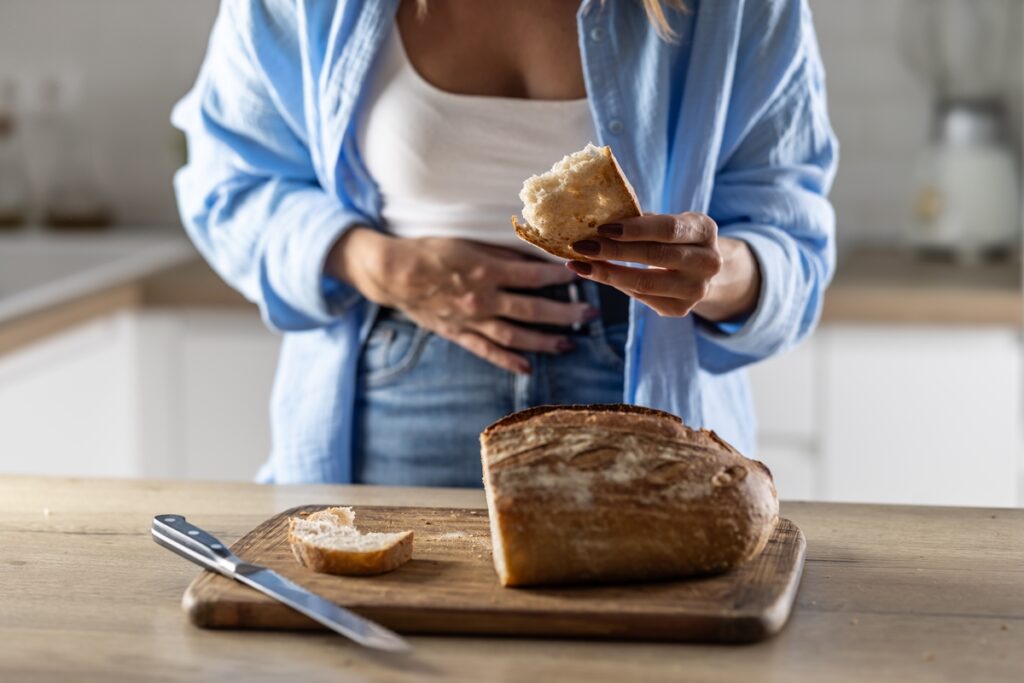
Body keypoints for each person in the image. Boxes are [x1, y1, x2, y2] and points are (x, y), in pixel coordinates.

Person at [173, 0, 837, 486]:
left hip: (647, 404)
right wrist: (378, 265)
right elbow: (226, 186)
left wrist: (718, 273)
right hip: (397, 394)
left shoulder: (740, 11)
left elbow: (795, 243)